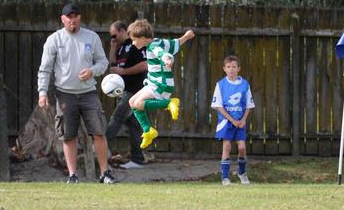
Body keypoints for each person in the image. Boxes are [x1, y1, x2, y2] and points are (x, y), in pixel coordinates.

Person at [37, 3, 116, 184]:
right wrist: (42, 92)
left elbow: (103, 63)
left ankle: (105, 174)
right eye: (69, 17)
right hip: (65, 94)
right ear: (62, 19)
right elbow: (45, 69)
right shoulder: (54, 40)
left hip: (89, 93)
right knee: (68, 135)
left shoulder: (92, 37)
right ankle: (73, 176)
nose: (73, 20)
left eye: (76, 16)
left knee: (99, 132)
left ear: (80, 17)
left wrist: (92, 71)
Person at [127, 19, 195, 149]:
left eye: (134, 40)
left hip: (161, 84)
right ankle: (148, 131)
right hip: (153, 82)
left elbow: (162, 53)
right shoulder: (158, 41)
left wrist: (167, 59)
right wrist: (186, 37)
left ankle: (169, 103)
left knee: (138, 104)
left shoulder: (153, 46)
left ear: (142, 37)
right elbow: (175, 43)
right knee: (131, 102)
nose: (133, 43)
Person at [106, 20, 147, 169]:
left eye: (114, 35)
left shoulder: (135, 44)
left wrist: (124, 72)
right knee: (134, 125)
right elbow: (113, 66)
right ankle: (137, 159)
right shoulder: (120, 46)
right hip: (125, 91)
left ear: (123, 31)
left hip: (135, 91)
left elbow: (144, 65)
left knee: (116, 118)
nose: (113, 38)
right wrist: (113, 48)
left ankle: (99, 150)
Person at [211, 55, 255, 186]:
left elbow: (249, 105)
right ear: (224, 69)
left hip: (240, 121)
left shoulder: (245, 84)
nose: (231, 69)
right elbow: (218, 106)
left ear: (239, 69)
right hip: (226, 122)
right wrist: (232, 120)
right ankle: (225, 177)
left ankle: (242, 173)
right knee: (227, 146)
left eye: (234, 67)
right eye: (228, 67)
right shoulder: (220, 85)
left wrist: (243, 119)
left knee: (242, 147)